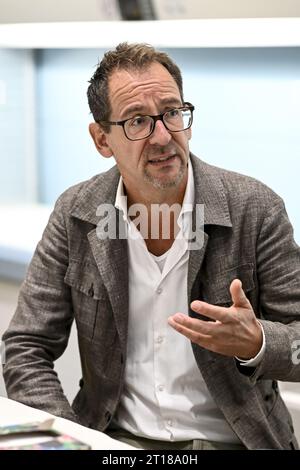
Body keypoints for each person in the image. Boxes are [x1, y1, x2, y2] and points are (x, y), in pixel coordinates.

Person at [2, 42, 300, 451]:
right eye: (137, 121)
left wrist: (258, 343)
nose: (162, 136)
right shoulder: (76, 213)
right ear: (101, 139)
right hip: (112, 441)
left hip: (233, 441)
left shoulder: (255, 208)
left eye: (173, 113)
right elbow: (26, 346)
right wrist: (71, 439)